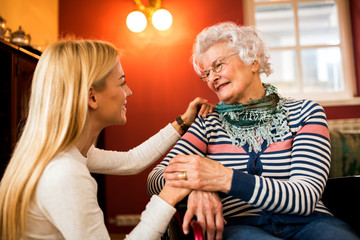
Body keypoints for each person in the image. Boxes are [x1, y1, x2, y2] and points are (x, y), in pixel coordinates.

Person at [147, 22, 360, 240]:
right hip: (238, 227)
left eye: (218, 65)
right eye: (206, 73)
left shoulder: (305, 112)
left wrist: (223, 178)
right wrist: (197, 184)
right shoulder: (207, 123)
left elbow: (303, 198)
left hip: (309, 222)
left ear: (253, 61)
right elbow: (155, 178)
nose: (212, 78)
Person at [0, 40, 215, 240]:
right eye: (122, 83)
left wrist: (183, 122)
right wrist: (167, 197)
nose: (128, 92)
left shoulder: (68, 153)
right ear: (92, 97)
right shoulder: (65, 173)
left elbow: (133, 160)